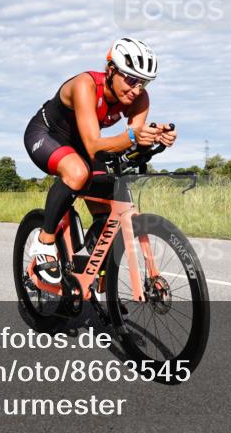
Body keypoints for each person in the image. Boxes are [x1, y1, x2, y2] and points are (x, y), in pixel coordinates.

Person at [22, 38, 176, 284]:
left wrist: (155, 137)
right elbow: (96, 144)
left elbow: (131, 142)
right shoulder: (86, 85)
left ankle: (96, 277)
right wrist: (134, 136)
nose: (137, 89)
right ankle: (45, 242)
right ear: (111, 70)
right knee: (77, 173)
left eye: (144, 82)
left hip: (81, 143)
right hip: (46, 135)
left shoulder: (140, 99)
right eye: (131, 79)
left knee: (110, 195)